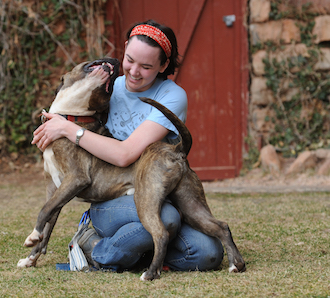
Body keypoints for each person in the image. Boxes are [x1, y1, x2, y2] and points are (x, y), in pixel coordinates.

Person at [32, 19, 224, 272]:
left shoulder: (171, 96)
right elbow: (71, 117)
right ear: (124, 49)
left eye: (146, 66)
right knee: (166, 219)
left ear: (164, 65)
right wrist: (55, 130)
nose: (134, 71)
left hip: (156, 192)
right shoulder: (107, 89)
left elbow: (125, 154)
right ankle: (93, 247)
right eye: (130, 59)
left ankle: (132, 257)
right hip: (112, 197)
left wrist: (67, 128)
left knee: (207, 254)